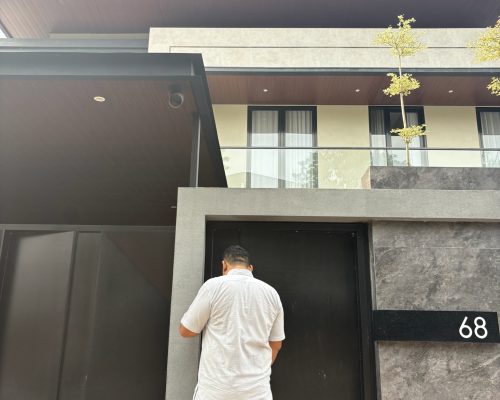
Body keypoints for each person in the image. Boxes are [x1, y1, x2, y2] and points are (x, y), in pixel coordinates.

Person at [179, 245, 285, 400]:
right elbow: (276, 344)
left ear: (224, 265)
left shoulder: (212, 287)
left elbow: (186, 331)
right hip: (257, 392)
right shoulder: (271, 293)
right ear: (250, 268)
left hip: (215, 391)